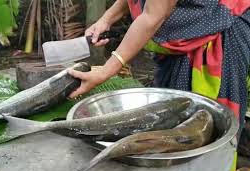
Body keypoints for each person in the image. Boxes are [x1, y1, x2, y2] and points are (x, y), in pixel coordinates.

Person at [68, 0, 250, 133]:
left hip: (217, 31)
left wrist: (106, 71)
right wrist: (106, 19)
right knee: (172, 116)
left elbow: (152, 17)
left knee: (204, 128)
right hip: (182, 31)